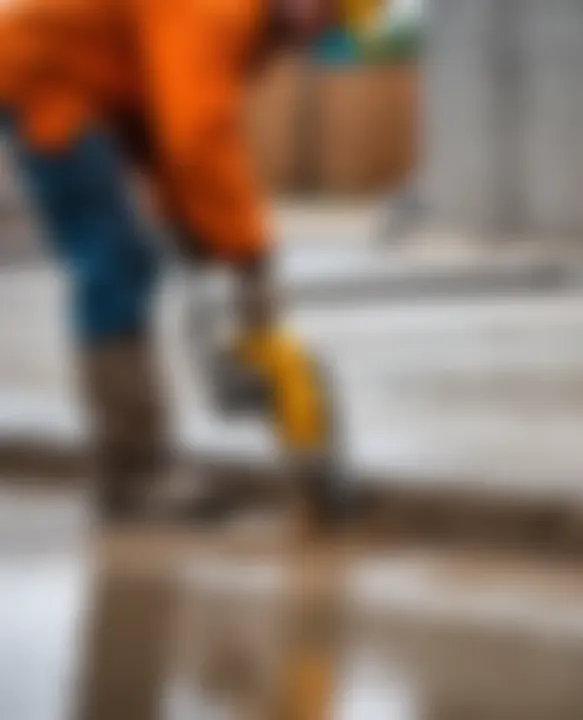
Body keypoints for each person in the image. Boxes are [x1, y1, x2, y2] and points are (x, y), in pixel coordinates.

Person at [0, 0, 338, 522]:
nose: (324, 31)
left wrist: (199, 233)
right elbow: (195, 134)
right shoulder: (218, 11)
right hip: (41, 75)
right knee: (112, 261)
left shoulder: (242, 25)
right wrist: (250, 256)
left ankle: (134, 471)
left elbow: (159, 125)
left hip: (70, 77)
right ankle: (132, 476)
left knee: (127, 259)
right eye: (330, 11)